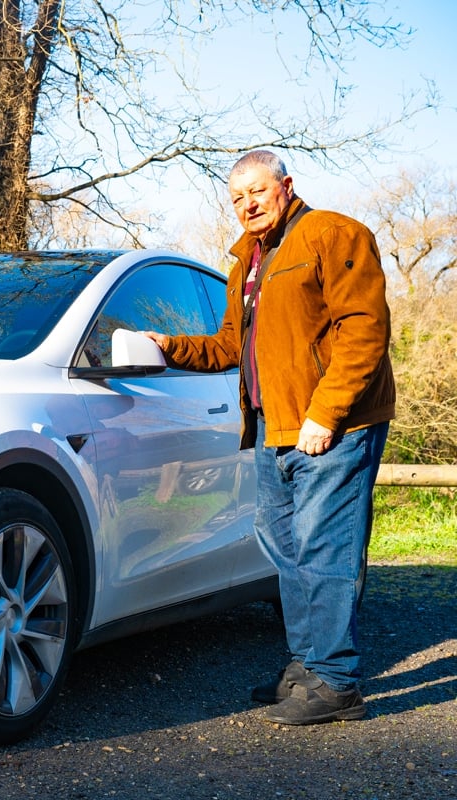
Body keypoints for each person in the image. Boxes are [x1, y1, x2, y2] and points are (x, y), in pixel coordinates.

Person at [143, 149, 396, 725]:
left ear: (286, 186)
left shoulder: (333, 234)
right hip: (272, 425)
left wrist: (326, 414)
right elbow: (232, 345)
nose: (246, 204)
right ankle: (306, 667)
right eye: (236, 197)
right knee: (284, 547)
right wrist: (169, 345)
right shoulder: (246, 263)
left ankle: (336, 683)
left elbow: (364, 330)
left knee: (324, 547)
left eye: (256, 191)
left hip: (332, 426)